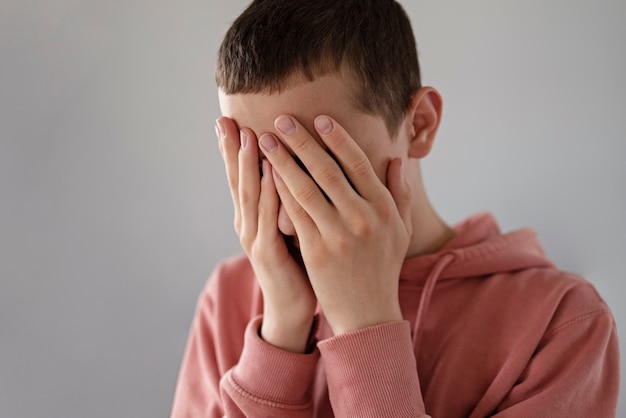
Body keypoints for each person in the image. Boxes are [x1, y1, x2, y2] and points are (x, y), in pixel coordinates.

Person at [171, 0, 619, 416]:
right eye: (262, 166)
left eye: (316, 159)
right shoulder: (229, 297)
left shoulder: (562, 323)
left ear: (419, 126)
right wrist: (281, 331)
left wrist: (366, 322)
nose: (290, 213)